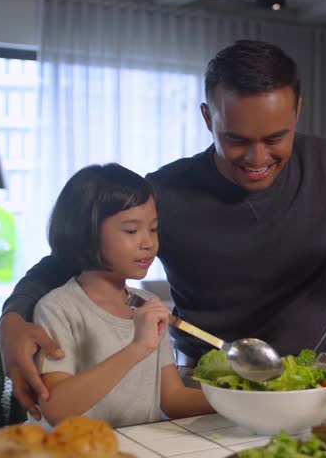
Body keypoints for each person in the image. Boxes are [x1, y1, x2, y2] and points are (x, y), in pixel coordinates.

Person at [0, 39, 326, 420]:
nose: (257, 157)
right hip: (202, 382)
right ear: (208, 118)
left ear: (298, 111)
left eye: (275, 139)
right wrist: (12, 320)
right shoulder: (166, 192)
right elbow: (68, 258)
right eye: (237, 139)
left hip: (309, 378)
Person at [32, 163, 213, 428]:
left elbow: (172, 399)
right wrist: (137, 348)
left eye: (153, 229)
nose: (148, 243)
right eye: (131, 231)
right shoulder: (58, 308)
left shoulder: (148, 306)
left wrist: (242, 402)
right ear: (87, 232)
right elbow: (57, 408)